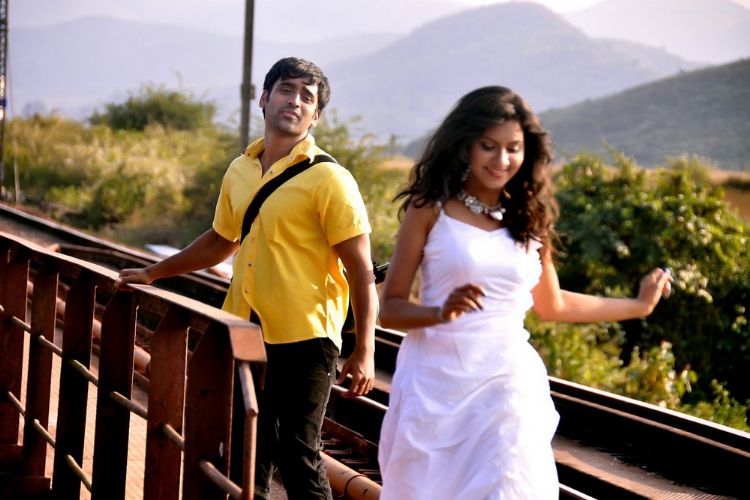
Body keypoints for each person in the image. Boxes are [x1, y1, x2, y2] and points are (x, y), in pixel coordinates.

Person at [376, 86, 672, 499]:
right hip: (436, 384)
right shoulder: (430, 208)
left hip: (507, 384)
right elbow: (390, 309)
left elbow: (555, 304)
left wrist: (638, 305)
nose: (501, 160)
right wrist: (439, 312)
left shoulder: (530, 217)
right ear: (465, 144)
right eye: (488, 146)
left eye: (513, 148)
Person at [117, 57, 377, 500]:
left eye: (307, 97)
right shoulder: (240, 170)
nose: (295, 101)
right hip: (243, 330)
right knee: (245, 451)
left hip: (306, 336)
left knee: (298, 454)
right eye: (286, 90)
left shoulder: (331, 179)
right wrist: (154, 272)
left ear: (316, 116)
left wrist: (365, 350)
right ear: (264, 98)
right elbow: (221, 241)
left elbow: (360, 269)